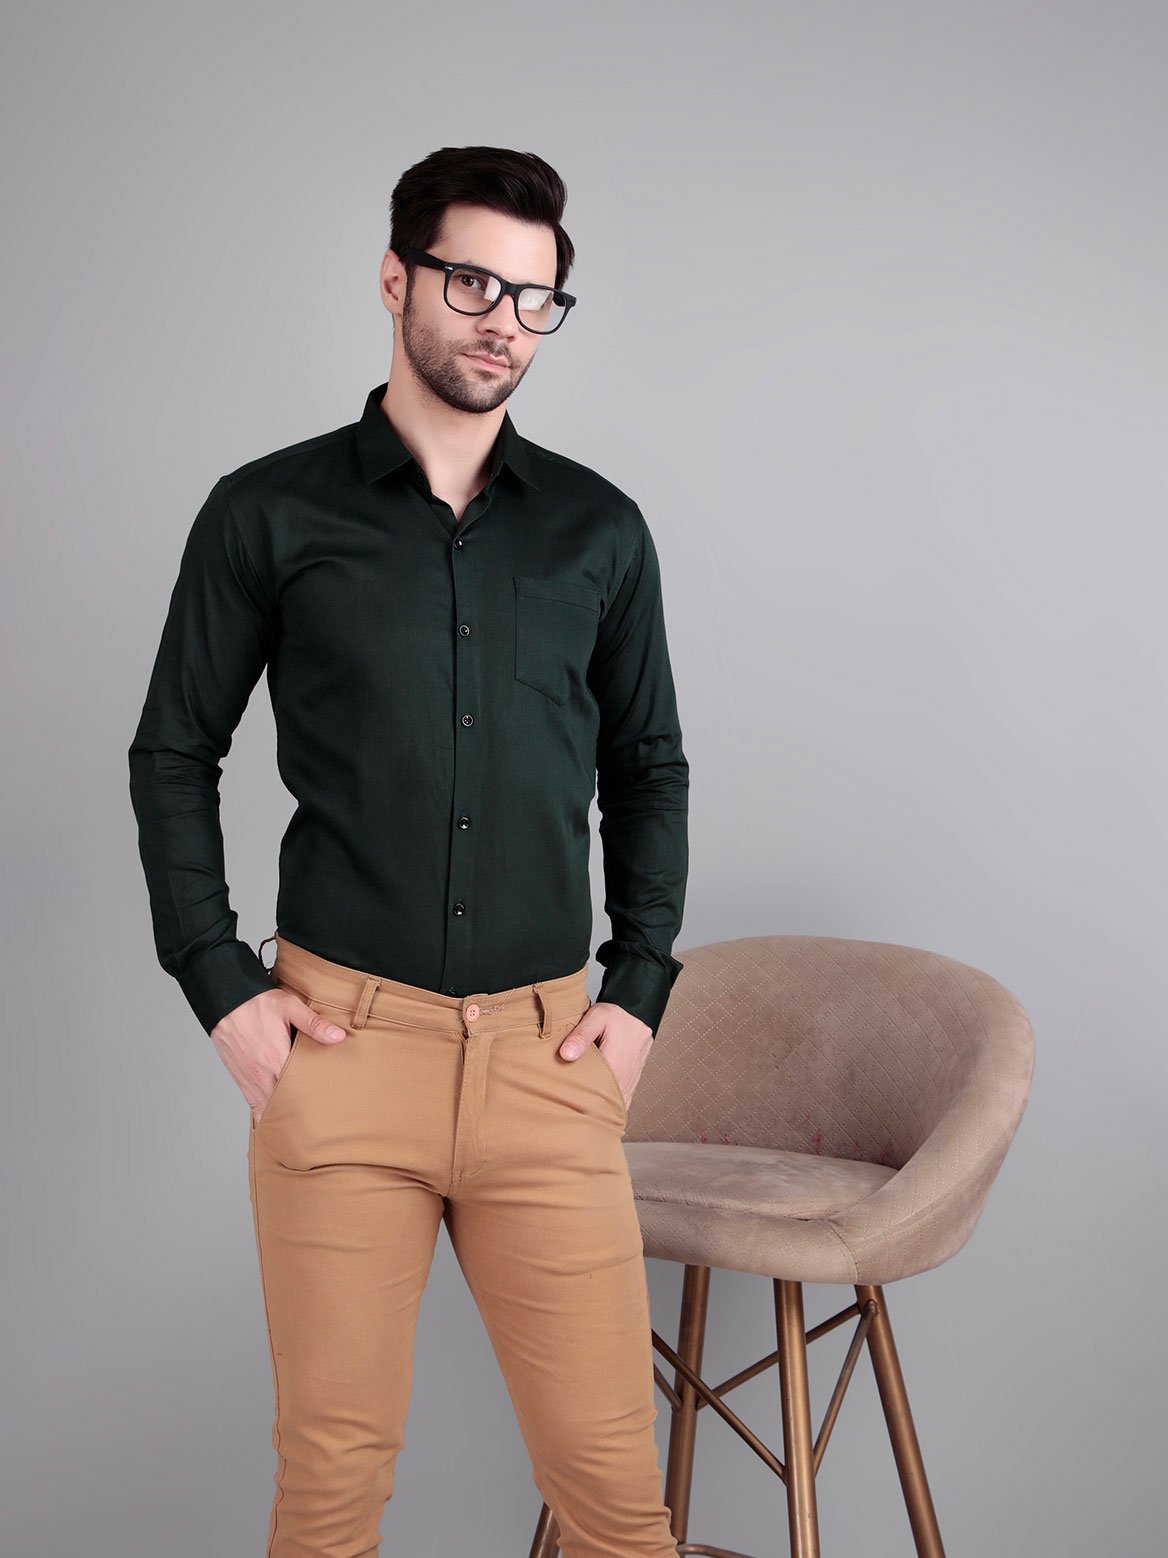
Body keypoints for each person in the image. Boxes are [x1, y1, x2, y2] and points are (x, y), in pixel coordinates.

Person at [128, 144, 688, 1557]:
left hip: (548, 1064)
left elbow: (648, 767)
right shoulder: (268, 511)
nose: (505, 321)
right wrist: (216, 980)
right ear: (397, 279)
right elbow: (173, 750)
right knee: (329, 1495)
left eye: (536, 299)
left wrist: (638, 990)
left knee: (619, 1499)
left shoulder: (600, 530)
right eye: (472, 283)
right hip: (340, 1054)